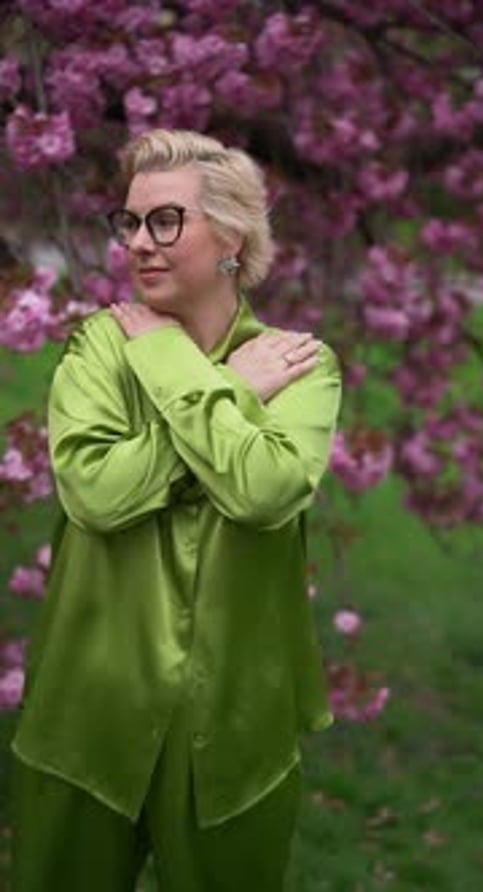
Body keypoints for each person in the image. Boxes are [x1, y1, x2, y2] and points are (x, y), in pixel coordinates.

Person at [10, 129, 342, 891]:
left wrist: (171, 364)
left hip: (235, 730)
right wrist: (228, 397)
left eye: (166, 221)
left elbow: (262, 492)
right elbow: (95, 492)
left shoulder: (301, 366)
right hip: (86, 713)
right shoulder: (100, 347)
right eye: (130, 222)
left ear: (230, 236)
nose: (138, 244)